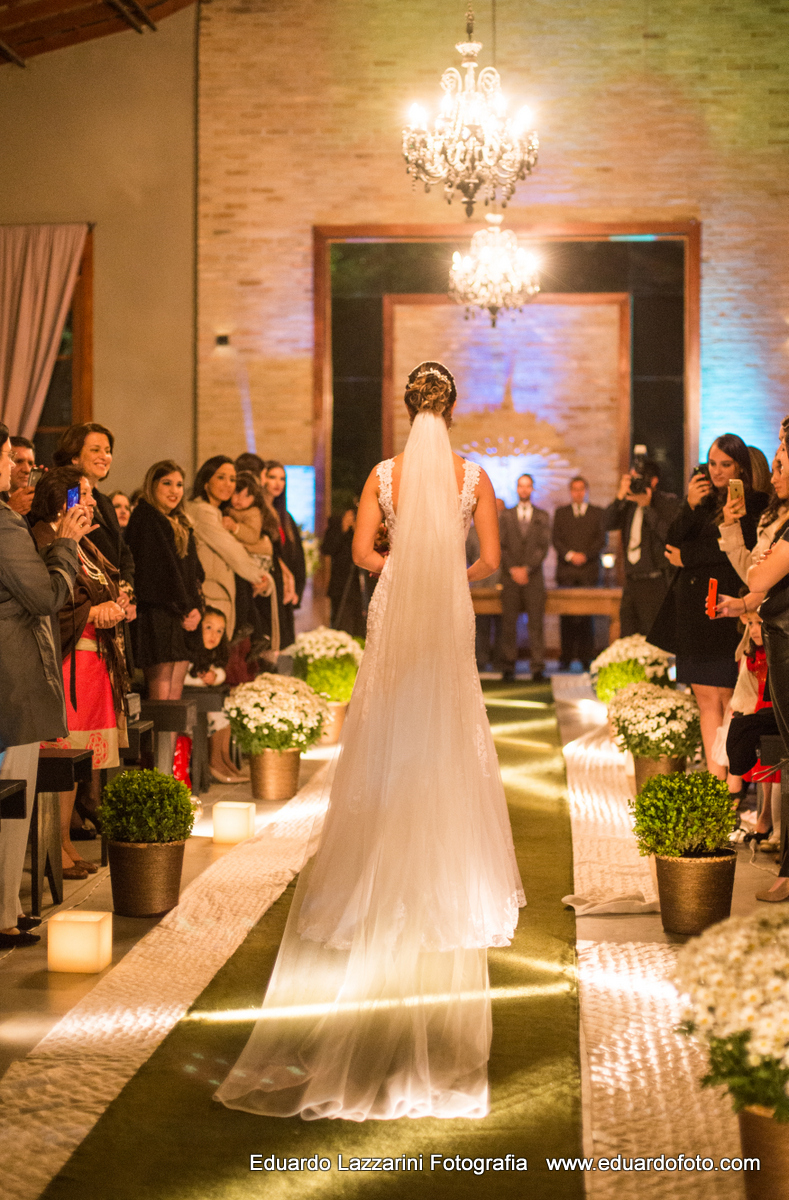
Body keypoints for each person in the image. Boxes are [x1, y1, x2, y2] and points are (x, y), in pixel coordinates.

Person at [215, 361, 524, 1120]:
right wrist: (442, 571)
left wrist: (401, 565)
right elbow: (490, 561)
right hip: (445, 606)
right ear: (452, 408)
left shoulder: (383, 476)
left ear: (404, 407)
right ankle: (435, 848)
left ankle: (381, 843)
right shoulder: (472, 475)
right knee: (445, 715)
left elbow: (358, 556)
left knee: (386, 720)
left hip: (394, 605)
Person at [0, 424, 88, 947]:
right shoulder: (7, 525)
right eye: (8, 456)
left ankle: (9, 901)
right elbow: (45, 597)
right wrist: (65, 546)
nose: (15, 467)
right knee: (13, 793)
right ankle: (4, 913)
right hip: (12, 677)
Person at [30, 468, 130, 879]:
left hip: (91, 660)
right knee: (59, 754)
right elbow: (52, 601)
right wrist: (93, 610)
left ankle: (66, 842)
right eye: (83, 495)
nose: (91, 502)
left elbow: (101, 583)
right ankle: (51, 845)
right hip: (67, 661)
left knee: (76, 761)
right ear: (61, 501)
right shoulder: (43, 539)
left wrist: (118, 599)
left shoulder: (82, 543)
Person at [651, 433, 767, 780]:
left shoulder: (754, 501)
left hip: (728, 606)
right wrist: (687, 504)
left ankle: (734, 782)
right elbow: (670, 546)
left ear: (741, 467)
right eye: (712, 463)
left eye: (725, 465)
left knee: (731, 696)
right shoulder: (700, 501)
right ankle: (716, 781)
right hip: (692, 611)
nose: (716, 472)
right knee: (704, 697)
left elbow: (740, 553)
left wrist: (690, 557)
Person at [716, 417, 789, 903]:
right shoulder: (775, 520)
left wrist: (752, 593)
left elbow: (761, 575)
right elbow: (756, 577)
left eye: (782, 462)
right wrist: (744, 602)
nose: (776, 470)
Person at [124, 461, 204, 702]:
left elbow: (194, 574)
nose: (174, 491)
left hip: (181, 615)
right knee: (161, 697)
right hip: (157, 615)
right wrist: (184, 607)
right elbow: (154, 575)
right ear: (152, 485)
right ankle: (160, 742)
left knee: (174, 697)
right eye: (167, 483)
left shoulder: (182, 523)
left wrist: (197, 609)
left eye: (179, 485)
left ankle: (170, 742)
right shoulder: (146, 518)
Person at [53, 423, 136, 625]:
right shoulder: (69, 496)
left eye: (107, 451)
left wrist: (125, 591)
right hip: (84, 607)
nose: (104, 456)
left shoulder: (105, 501)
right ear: (74, 457)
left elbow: (122, 553)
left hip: (112, 604)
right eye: (95, 450)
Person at [185, 457, 271, 640]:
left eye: (232, 479)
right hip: (211, 599)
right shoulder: (203, 511)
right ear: (206, 482)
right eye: (221, 477)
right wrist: (262, 578)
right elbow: (233, 551)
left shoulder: (220, 513)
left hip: (218, 597)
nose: (228, 484)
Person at [603, 458, 679, 637]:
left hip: (656, 581)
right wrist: (620, 495)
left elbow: (669, 536)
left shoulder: (667, 502)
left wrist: (647, 507)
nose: (636, 482)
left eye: (640, 478)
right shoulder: (627, 504)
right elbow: (606, 524)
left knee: (654, 636)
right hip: (631, 581)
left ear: (653, 481)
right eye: (633, 478)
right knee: (627, 634)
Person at [498, 473, 551, 682]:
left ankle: (537, 666)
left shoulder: (543, 516)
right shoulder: (505, 516)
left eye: (528, 486)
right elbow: (501, 545)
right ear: (516, 489)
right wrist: (513, 569)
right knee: (509, 623)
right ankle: (508, 665)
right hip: (510, 578)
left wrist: (527, 569)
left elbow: (543, 547)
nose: (524, 490)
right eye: (521, 486)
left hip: (534, 578)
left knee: (536, 624)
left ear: (532, 489)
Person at [184, 607, 243, 784]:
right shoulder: (188, 650)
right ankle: (216, 761)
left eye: (219, 631)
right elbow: (183, 677)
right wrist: (203, 680)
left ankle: (224, 758)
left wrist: (215, 677)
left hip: (201, 696)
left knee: (224, 709)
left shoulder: (212, 653)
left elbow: (220, 671)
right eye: (208, 628)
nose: (214, 635)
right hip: (187, 699)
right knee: (217, 711)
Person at [553, 475, 605, 670]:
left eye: (581, 489)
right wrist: (569, 555)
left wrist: (585, 555)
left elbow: (602, 540)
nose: (578, 493)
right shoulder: (561, 513)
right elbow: (556, 539)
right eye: (574, 489)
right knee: (566, 616)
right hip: (566, 571)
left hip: (589, 571)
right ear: (570, 492)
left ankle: (585, 657)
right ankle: (565, 657)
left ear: (586, 491)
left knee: (586, 617)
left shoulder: (597, 513)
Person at [263, 461, 306, 648]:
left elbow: (297, 556)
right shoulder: (261, 514)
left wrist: (297, 588)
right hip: (269, 585)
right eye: (272, 477)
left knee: (285, 643)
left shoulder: (285, 516)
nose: (278, 483)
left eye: (282, 479)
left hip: (286, 588)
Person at [320, 498, 365, 637]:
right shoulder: (338, 520)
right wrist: (343, 528)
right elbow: (326, 549)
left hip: (365, 586)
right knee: (342, 626)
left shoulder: (375, 521)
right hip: (342, 583)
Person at [5, 436, 37, 517]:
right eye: (19, 461)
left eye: (30, 463)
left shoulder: (34, 500)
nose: (27, 470)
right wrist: (11, 509)